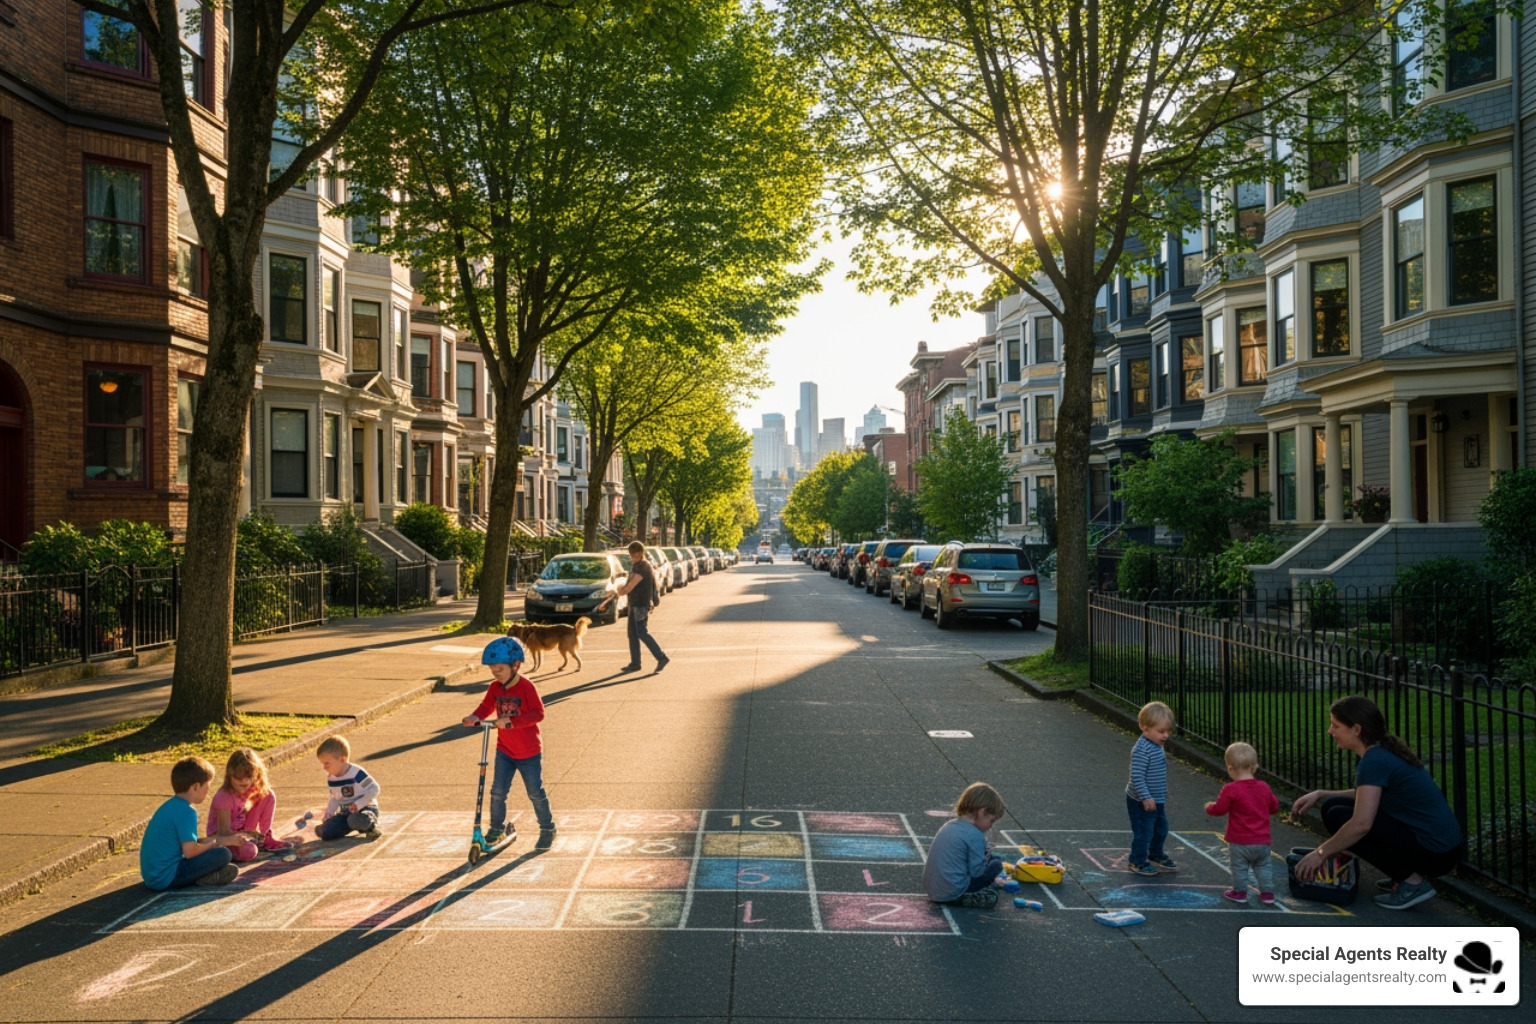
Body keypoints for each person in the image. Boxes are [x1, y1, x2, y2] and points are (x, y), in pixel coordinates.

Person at [1291, 695, 1464, 910]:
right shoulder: (1380, 750)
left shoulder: (1374, 761)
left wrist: (1320, 853)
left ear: (1356, 729)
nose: (1330, 731)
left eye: (1335, 725)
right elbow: (1367, 795)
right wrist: (1320, 793)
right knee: (1331, 805)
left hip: (1436, 852)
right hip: (1440, 845)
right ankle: (1403, 872)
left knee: (1340, 816)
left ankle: (1412, 882)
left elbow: (1361, 824)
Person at [461, 636, 556, 846]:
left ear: (516, 665)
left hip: (529, 752)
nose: (496, 673)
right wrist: (475, 717)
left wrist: (512, 722)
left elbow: (538, 713)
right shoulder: (495, 688)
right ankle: (497, 828)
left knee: (535, 792)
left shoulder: (526, 687)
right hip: (505, 750)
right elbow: (486, 707)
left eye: (500, 669)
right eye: (492, 669)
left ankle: (547, 828)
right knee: (498, 792)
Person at [139, 756, 242, 890]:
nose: (208, 792)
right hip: (168, 877)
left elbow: (190, 844)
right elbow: (190, 851)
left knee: (216, 851)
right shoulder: (187, 812)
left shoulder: (170, 806)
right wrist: (215, 844)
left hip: (152, 877)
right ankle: (202, 877)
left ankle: (206, 875)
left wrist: (223, 841)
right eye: (207, 787)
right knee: (223, 854)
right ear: (196, 786)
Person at [1205, 741, 1279, 905]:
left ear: (1230, 768)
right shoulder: (1264, 787)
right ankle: (1267, 893)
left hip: (1239, 840)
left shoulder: (1231, 789)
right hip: (1262, 840)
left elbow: (1220, 809)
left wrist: (1210, 808)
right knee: (1263, 866)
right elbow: (1274, 807)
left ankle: (1240, 892)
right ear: (1255, 766)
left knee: (1239, 867)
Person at [923, 782, 1008, 908]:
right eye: (991, 821)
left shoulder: (950, 825)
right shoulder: (975, 835)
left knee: (989, 858)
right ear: (982, 812)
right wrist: (989, 864)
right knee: (996, 865)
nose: (990, 826)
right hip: (952, 892)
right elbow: (977, 872)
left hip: (934, 889)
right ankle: (966, 898)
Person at [209, 747, 292, 861]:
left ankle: (265, 837)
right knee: (250, 850)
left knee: (267, 794)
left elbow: (263, 796)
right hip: (226, 839)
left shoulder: (250, 788)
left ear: (256, 774)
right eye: (238, 777)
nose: (243, 780)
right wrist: (246, 836)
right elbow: (223, 832)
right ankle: (229, 854)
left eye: (248, 776)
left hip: (243, 832)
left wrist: (251, 834)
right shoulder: (224, 796)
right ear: (230, 775)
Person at [598, 540, 669, 674]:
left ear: (641, 553)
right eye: (631, 554)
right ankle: (635, 663)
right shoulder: (638, 566)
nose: (633, 556)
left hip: (640, 605)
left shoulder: (641, 567)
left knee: (641, 632)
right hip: (634, 604)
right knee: (633, 634)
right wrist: (617, 590)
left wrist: (617, 592)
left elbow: (629, 587)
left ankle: (661, 657)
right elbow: (627, 585)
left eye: (635, 554)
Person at [1126, 700, 1179, 875]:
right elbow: (1137, 777)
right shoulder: (1142, 750)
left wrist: (1162, 791)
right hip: (1141, 801)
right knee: (1144, 832)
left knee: (1161, 828)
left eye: (1168, 731)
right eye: (1161, 731)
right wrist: (1146, 796)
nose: (1165, 736)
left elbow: (1156, 774)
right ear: (1145, 728)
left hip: (1157, 799)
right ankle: (1137, 860)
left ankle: (1155, 853)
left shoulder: (1157, 745)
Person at [314, 735, 383, 841]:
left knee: (356, 819)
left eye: (327, 763)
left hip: (365, 808)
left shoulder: (357, 774)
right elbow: (335, 798)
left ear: (342, 759)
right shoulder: (332, 777)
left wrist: (359, 804)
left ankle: (371, 826)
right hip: (346, 812)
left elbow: (374, 788)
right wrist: (328, 815)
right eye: (322, 763)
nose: (324, 767)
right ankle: (352, 826)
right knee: (327, 832)